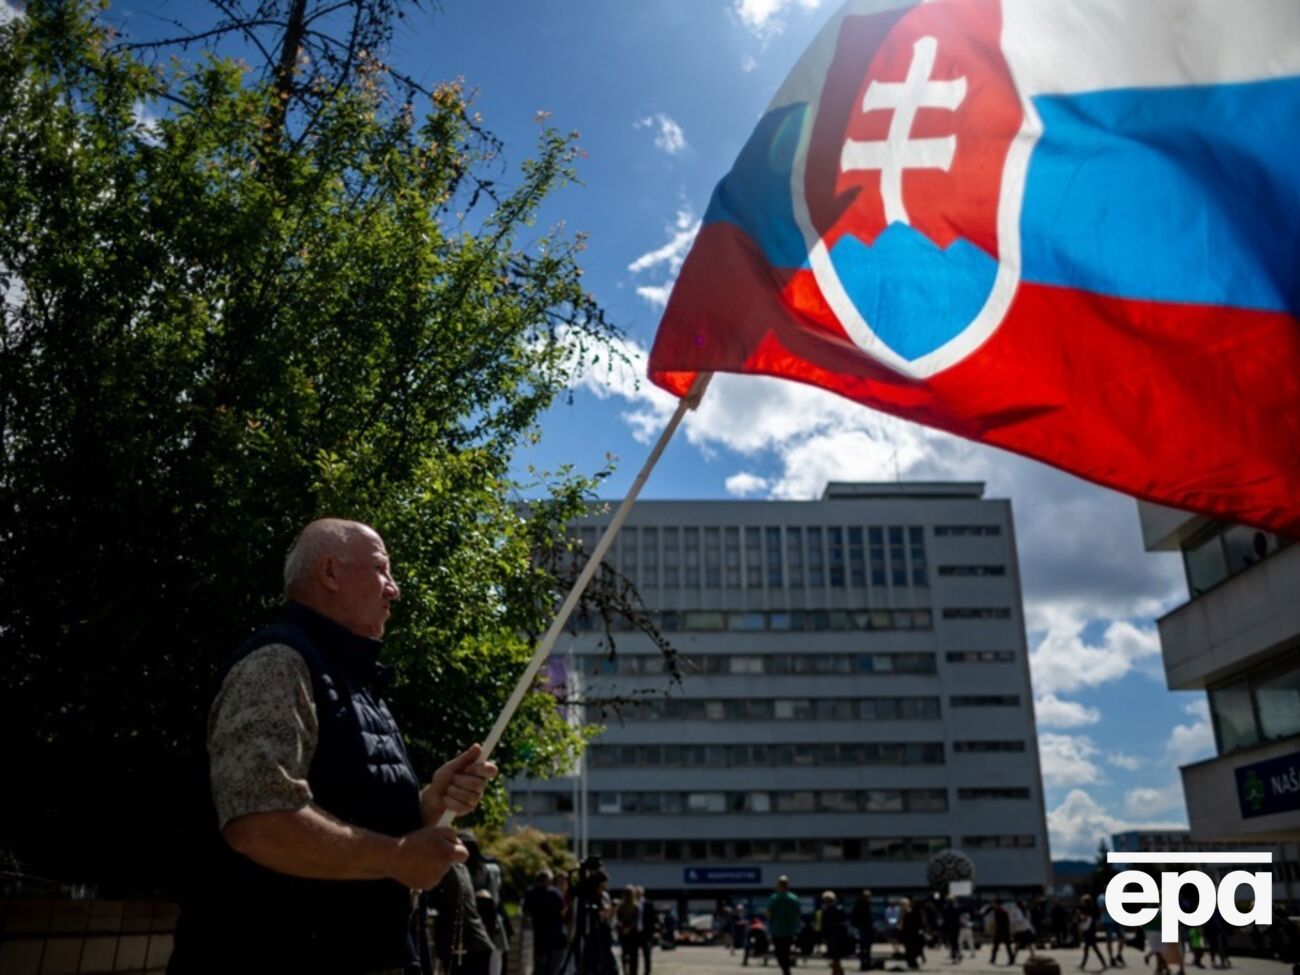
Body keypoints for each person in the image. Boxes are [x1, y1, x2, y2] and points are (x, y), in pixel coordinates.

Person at [170, 518, 498, 974]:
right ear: (329, 572)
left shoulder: (352, 681)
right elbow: (259, 822)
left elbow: (350, 813)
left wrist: (427, 808)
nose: (394, 589)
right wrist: (398, 857)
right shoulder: (278, 664)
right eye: (382, 569)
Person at [523, 870, 568, 975]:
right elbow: (563, 911)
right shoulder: (554, 893)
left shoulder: (530, 893)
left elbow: (526, 911)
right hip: (556, 937)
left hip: (539, 938)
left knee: (539, 968)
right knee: (553, 969)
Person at [767, 876, 802, 975]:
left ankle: (786, 971)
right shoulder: (794, 898)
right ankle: (786, 971)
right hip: (790, 931)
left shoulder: (774, 898)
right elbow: (798, 913)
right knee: (786, 952)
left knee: (779, 953)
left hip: (777, 930)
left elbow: (769, 914)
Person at [1078, 894, 1109, 970]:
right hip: (1092, 930)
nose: (1082, 903)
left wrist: (1080, 916)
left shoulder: (1087, 909)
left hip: (1089, 931)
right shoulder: (1092, 909)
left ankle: (1084, 964)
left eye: (1083, 901)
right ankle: (1084, 964)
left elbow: (1084, 918)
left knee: (1091, 948)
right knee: (1090, 948)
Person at [821, 892, 849, 975]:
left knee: (835, 957)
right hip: (837, 936)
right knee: (836, 958)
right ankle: (837, 972)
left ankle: (836, 972)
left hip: (832, 936)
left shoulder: (826, 910)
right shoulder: (839, 909)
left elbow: (824, 924)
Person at [617, 886, 641, 975]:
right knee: (633, 954)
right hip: (632, 932)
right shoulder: (635, 905)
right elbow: (635, 920)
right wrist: (628, 928)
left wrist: (624, 928)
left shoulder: (622, 905)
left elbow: (619, 919)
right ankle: (632, 972)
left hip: (624, 932)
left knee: (625, 953)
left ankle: (625, 971)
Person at [636, 886, 658, 975]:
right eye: (636, 892)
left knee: (647, 954)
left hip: (646, 933)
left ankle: (647, 971)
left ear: (642, 893)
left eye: (639, 892)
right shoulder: (633, 903)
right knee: (634, 955)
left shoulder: (648, 904)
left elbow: (653, 918)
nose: (637, 894)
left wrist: (654, 931)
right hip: (635, 933)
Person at [851, 890, 874, 971]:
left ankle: (865, 964)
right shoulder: (864, 905)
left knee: (864, 947)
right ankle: (865, 964)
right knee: (865, 947)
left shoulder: (859, 904)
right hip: (865, 928)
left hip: (862, 928)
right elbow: (867, 918)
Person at [987, 902, 1013, 966]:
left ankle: (993, 959)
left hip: (1000, 931)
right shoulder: (1003, 911)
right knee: (1007, 946)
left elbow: (998, 922)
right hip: (1004, 931)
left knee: (996, 946)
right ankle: (1011, 959)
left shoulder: (998, 911)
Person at [942, 896, 961, 964]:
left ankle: (954, 955)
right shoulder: (956, 908)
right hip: (956, 927)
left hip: (950, 927)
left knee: (952, 942)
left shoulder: (946, 908)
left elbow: (945, 919)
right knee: (955, 942)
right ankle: (957, 954)